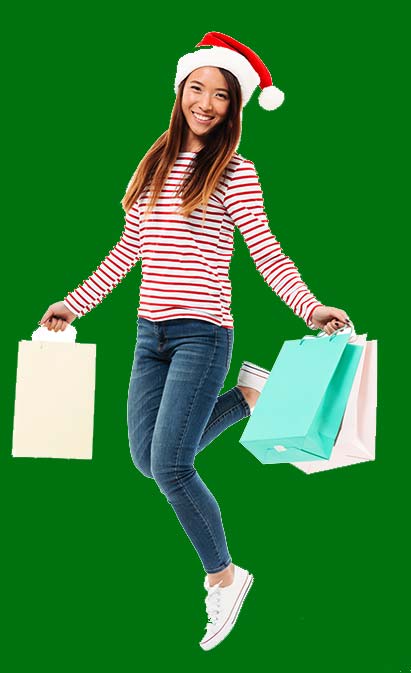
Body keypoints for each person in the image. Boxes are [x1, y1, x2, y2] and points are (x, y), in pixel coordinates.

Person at [38, 32, 350, 650]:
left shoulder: (236, 170)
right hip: (147, 333)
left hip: (202, 334)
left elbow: (266, 252)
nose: (206, 103)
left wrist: (310, 307)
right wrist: (70, 306)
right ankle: (247, 399)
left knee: (172, 465)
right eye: (197, 89)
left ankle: (225, 577)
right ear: (180, 90)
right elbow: (127, 252)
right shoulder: (154, 162)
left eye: (221, 95)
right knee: (144, 459)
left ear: (235, 107)